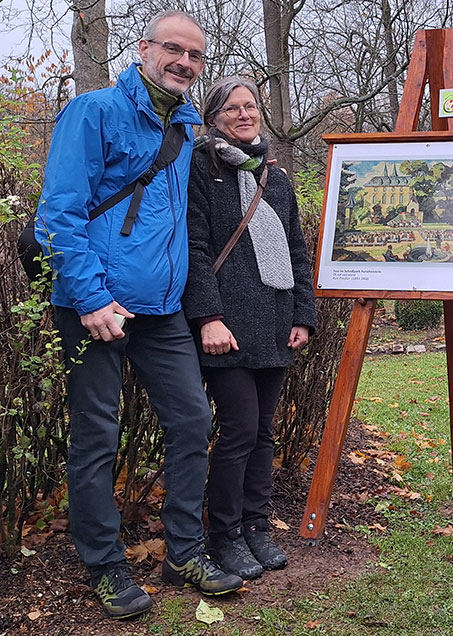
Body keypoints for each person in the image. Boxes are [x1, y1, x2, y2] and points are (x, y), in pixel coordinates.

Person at [34, 11, 242, 619]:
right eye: (173, 49)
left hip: (161, 311)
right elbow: (60, 214)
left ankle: (183, 551)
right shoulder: (94, 112)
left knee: (190, 422)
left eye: (196, 56)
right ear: (144, 48)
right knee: (97, 438)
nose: (184, 62)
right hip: (96, 307)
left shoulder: (186, 120)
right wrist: (92, 297)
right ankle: (105, 565)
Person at [183, 77, 317, 579]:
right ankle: (225, 535)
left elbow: (297, 251)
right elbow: (194, 248)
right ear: (214, 117)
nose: (245, 115)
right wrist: (208, 317)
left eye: (251, 106)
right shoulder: (200, 168)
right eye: (232, 109)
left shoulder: (276, 179)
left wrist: (304, 315)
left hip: (276, 322)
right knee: (238, 430)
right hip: (227, 327)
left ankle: (256, 526)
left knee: (263, 433)